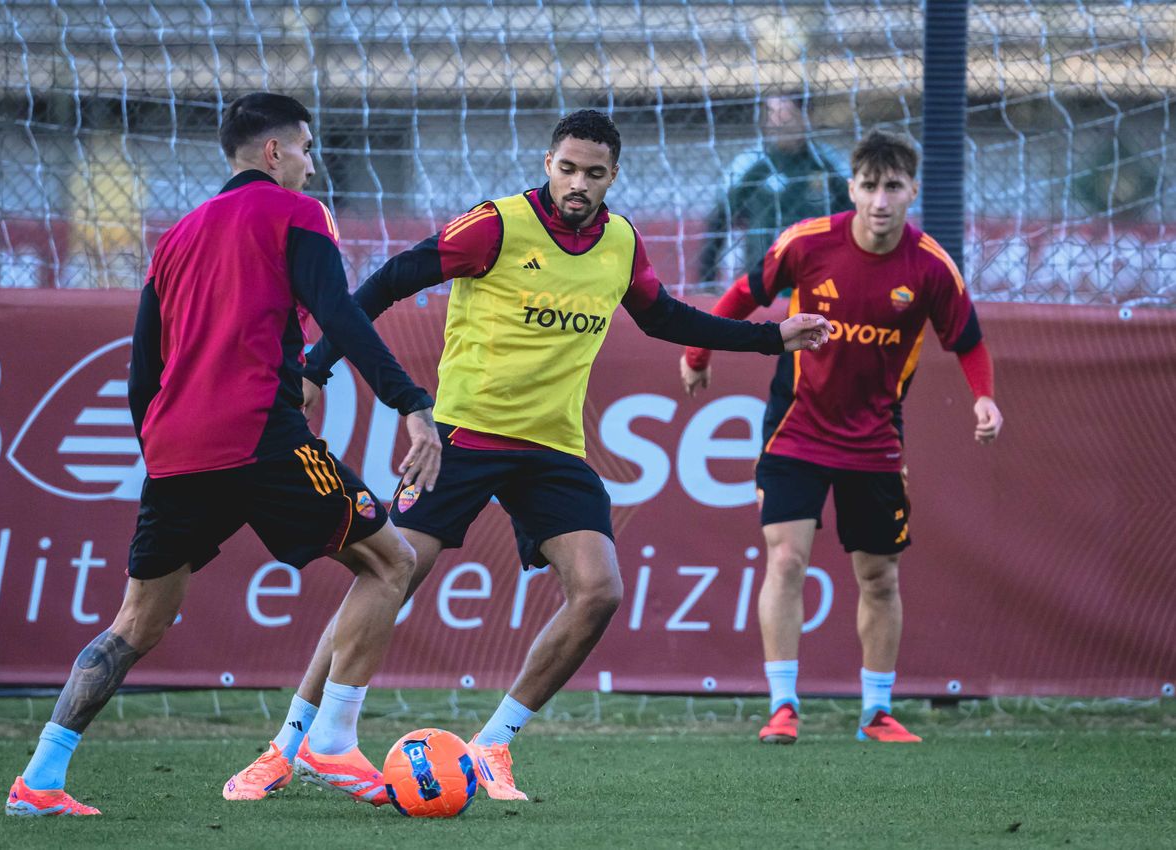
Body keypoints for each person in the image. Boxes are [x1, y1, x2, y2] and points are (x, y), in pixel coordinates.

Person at [222, 109, 832, 803]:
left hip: (551, 449)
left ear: (612, 177)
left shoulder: (622, 243)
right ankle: (291, 745)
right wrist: (317, 368)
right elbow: (389, 279)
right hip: (463, 438)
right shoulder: (496, 225)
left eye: (594, 174)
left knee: (600, 591)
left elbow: (663, 317)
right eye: (568, 168)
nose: (578, 183)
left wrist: (770, 337)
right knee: (387, 574)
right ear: (548, 163)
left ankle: (491, 747)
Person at [3, 92, 442, 816]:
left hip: (178, 450)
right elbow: (340, 313)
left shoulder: (175, 236)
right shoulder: (296, 213)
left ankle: (41, 780)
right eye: (305, 148)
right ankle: (331, 740)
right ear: (274, 153)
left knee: (136, 622)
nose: (310, 162)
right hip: (261, 438)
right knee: (391, 561)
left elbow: (143, 369)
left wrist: (161, 442)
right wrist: (410, 404)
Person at [681, 128, 1003, 744]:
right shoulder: (808, 243)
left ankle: (876, 711)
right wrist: (698, 352)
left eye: (893, 187)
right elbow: (742, 295)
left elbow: (967, 341)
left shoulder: (930, 266)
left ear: (911, 191)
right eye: (870, 186)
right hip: (795, 427)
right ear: (851, 188)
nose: (880, 200)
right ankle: (782, 706)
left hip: (874, 439)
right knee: (786, 557)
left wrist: (984, 397)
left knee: (879, 577)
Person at [696, 96, 851, 286]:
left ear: (807, 118)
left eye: (785, 115)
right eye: (771, 114)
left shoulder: (828, 162)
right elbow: (720, 218)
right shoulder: (751, 162)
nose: (776, 122)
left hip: (822, 273)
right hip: (765, 275)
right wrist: (706, 280)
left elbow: (855, 211)